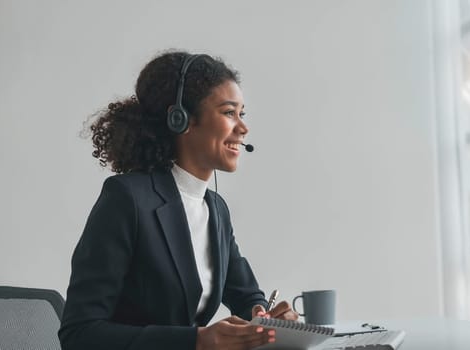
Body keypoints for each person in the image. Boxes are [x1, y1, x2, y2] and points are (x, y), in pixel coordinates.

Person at [58, 50, 298, 350]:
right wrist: (196, 341)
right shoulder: (128, 199)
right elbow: (80, 333)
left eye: (242, 114)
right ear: (181, 119)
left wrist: (268, 318)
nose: (243, 127)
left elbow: (246, 295)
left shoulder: (215, 209)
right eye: (228, 112)